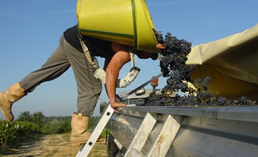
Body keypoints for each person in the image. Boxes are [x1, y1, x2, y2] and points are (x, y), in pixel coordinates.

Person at [0, 25, 164, 146]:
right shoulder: (126, 51)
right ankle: (78, 133)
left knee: (48, 71)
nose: (149, 57)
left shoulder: (124, 38)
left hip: (70, 37)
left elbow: (108, 70)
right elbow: (112, 71)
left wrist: (112, 96)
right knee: (92, 88)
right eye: (151, 54)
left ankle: (8, 96)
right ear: (147, 46)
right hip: (80, 44)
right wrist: (113, 100)